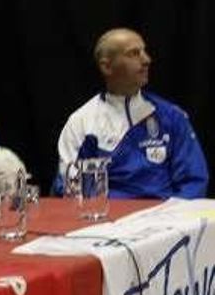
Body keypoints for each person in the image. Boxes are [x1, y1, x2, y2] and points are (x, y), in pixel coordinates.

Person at [54, 28, 208, 198]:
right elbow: (68, 187)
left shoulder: (172, 117)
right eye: (134, 53)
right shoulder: (81, 122)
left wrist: (174, 218)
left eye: (144, 51)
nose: (146, 60)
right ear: (106, 66)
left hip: (166, 220)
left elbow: (193, 180)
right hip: (110, 220)